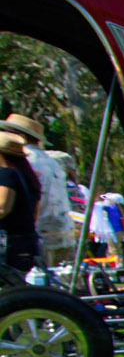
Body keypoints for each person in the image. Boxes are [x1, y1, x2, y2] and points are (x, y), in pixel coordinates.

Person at [0, 114, 70, 266]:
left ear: (21, 136)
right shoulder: (52, 160)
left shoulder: (26, 161)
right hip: (63, 229)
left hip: (39, 232)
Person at [0, 131, 41, 275]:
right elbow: (34, 215)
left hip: (9, 245)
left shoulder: (6, 174)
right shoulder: (27, 177)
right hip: (26, 243)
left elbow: (2, 209)